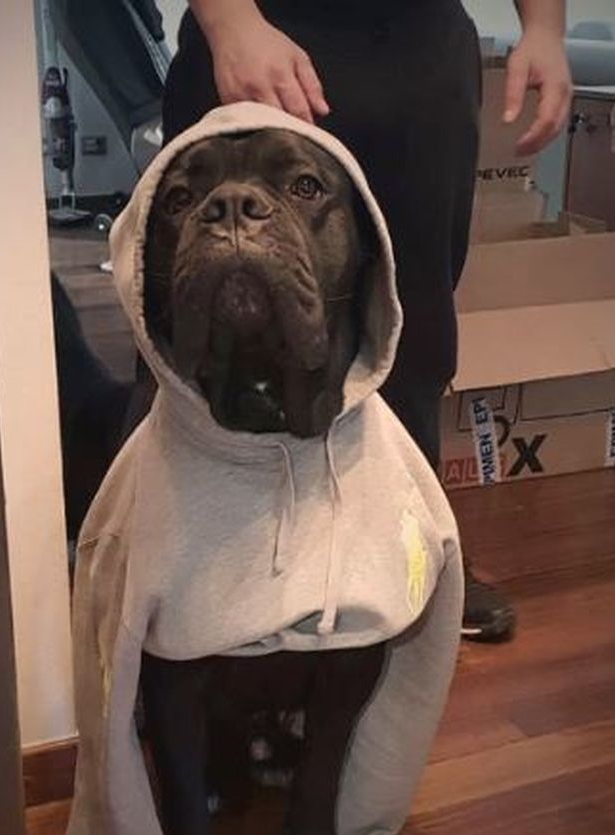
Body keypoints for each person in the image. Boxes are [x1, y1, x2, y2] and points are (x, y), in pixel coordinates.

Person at [123, 0, 572, 641]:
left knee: (414, 328)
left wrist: (546, 28)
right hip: (263, 28)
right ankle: (160, 566)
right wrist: (231, 23)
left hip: (422, 52)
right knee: (188, 313)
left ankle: (408, 551)